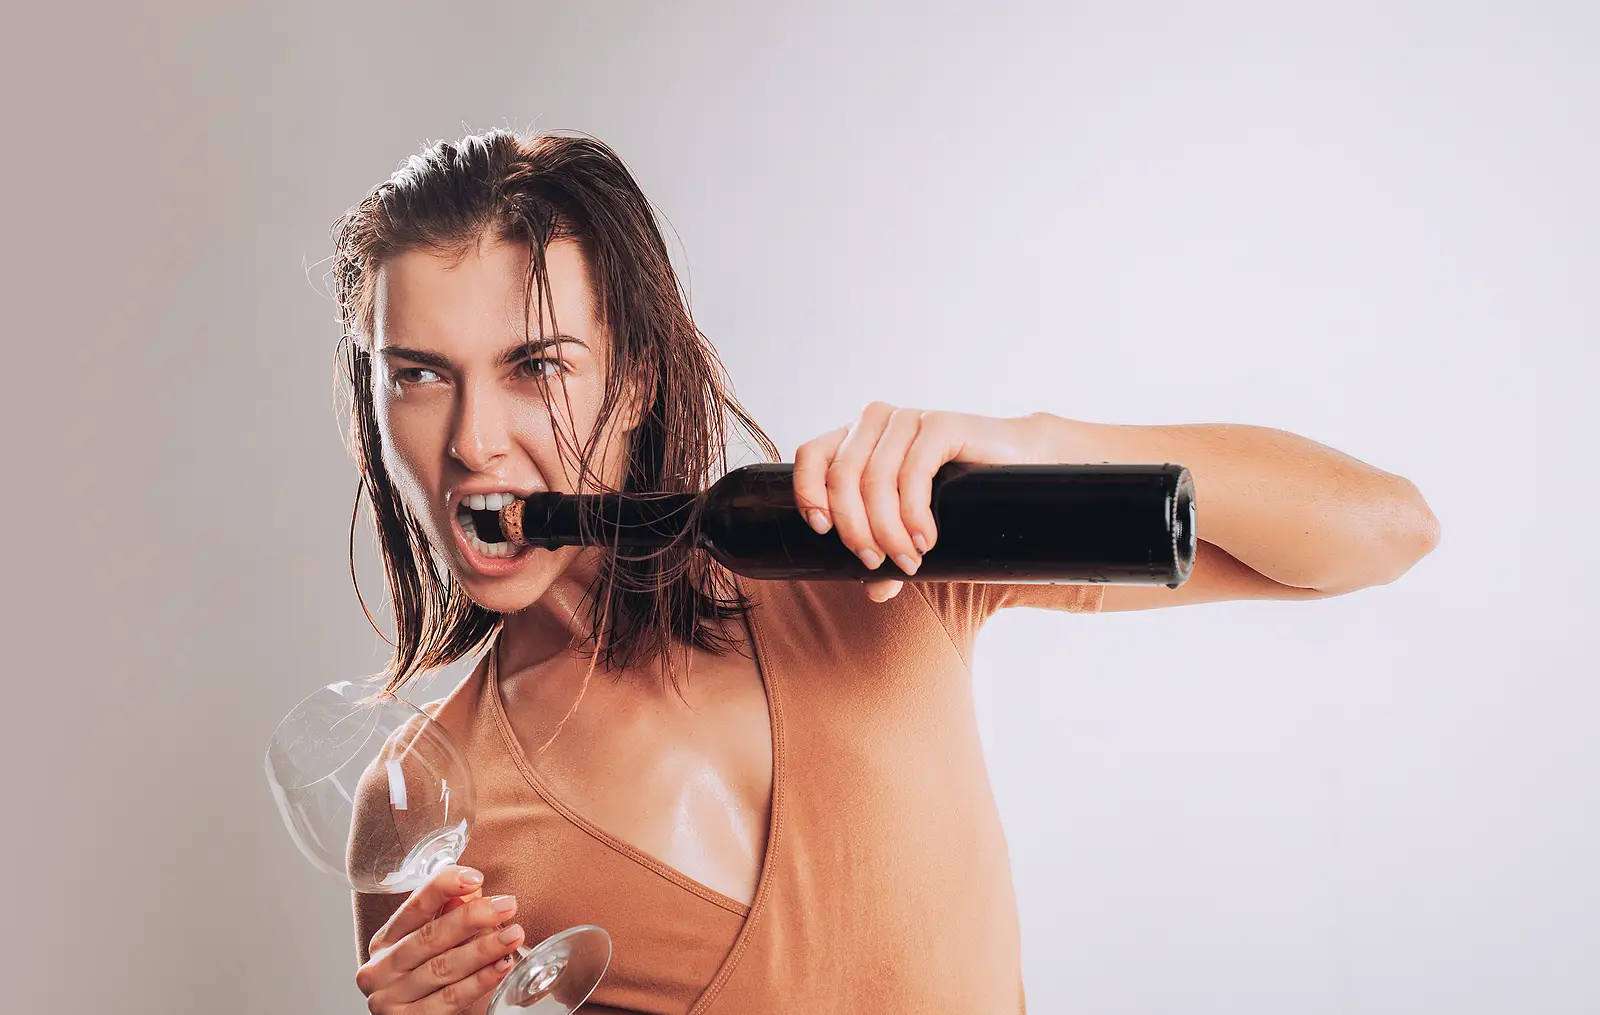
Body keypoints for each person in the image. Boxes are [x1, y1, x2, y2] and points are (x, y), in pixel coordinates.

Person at [332, 130, 1439, 1015]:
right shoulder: (419, 809)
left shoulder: (869, 550)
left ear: (637, 376)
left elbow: (1383, 531)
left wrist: (1037, 443)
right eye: (420, 375)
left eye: (536, 367)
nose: (473, 438)